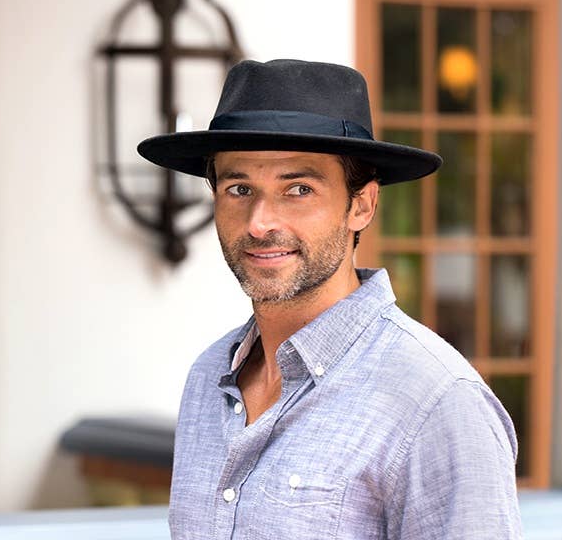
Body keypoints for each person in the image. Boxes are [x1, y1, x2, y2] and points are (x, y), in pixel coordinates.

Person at [138, 59, 522, 539]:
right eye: (239, 188)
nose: (260, 222)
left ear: (361, 205)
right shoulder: (207, 378)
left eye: (299, 189)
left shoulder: (437, 401)